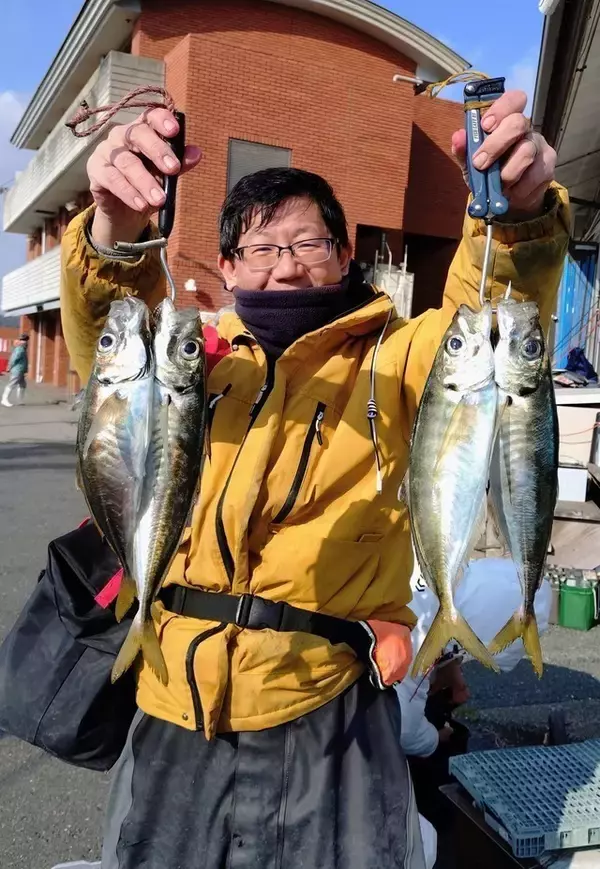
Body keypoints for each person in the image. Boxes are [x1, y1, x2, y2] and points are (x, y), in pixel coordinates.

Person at [59, 89, 569, 869]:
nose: (288, 264)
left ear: (346, 252)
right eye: (261, 248)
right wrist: (114, 232)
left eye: (309, 243)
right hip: (172, 710)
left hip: (328, 715)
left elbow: (487, 322)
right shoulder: (193, 359)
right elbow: (110, 345)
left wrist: (518, 220)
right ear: (226, 266)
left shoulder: (392, 357)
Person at [397, 557, 552, 833]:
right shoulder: (417, 629)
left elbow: (446, 640)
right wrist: (435, 738)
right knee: (425, 836)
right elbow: (403, 725)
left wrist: (451, 668)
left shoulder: (444, 575)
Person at [1, 335, 29, 407]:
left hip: (21, 370)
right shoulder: (20, 349)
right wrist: (9, 367)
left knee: (23, 384)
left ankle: (20, 400)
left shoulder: (22, 349)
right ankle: (4, 399)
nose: (26, 342)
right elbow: (14, 358)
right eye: (24, 341)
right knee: (12, 384)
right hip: (17, 369)